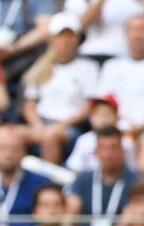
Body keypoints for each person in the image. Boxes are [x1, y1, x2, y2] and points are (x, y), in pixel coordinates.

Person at [22, 16, 101, 164]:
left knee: (51, 137)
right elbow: (29, 105)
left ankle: (48, 184)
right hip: (41, 123)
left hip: (70, 126)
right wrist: (38, 126)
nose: (65, 41)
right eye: (60, 36)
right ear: (52, 39)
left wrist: (61, 125)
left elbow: (89, 106)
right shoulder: (40, 66)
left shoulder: (88, 68)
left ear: (77, 39)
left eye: (69, 36)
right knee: (8, 135)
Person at [0, 124, 52, 226]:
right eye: (2, 148)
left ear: (24, 151)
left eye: (15, 149)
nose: (8, 154)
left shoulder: (40, 184)